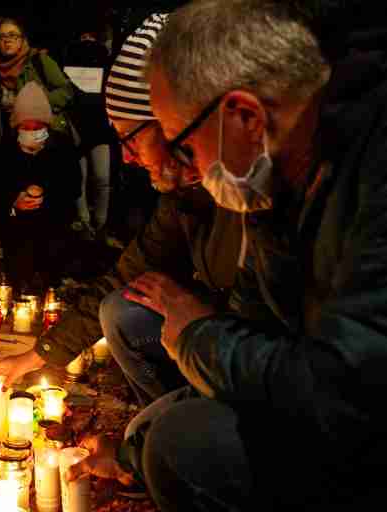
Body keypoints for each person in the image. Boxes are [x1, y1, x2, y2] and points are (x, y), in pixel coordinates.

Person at [71, 1, 387, 510]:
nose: (186, 165)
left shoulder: (370, 176)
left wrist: (199, 337)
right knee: (154, 430)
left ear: (243, 116)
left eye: (185, 144)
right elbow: (262, 321)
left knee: (183, 443)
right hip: (328, 401)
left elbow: (343, 394)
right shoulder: (278, 176)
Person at [0, 13, 244, 409]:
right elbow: (127, 274)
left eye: (130, 137)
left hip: (258, 381)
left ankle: (179, 431)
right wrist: (38, 355)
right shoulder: (183, 197)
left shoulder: (252, 195)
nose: (125, 158)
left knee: (158, 440)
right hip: (224, 348)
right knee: (120, 307)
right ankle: (166, 421)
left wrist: (201, 321)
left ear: (174, 123)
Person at [0, 82, 81, 291]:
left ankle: (50, 283)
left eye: (38, 127)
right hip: (15, 229)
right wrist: (12, 202)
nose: (32, 132)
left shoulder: (62, 148)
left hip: (53, 226)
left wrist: (48, 198)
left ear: (47, 127)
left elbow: (73, 189)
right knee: (19, 267)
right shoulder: (2, 151)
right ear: (16, 127)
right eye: (26, 127)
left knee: (51, 265)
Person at [0, 17, 75, 148]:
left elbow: (66, 91)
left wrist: (37, 104)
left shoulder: (39, 61)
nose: (7, 40)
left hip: (42, 139)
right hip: (5, 143)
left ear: (22, 39)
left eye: (13, 35)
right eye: (2, 36)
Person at [62, 25, 114, 241]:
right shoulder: (70, 55)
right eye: (83, 36)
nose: (87, 40)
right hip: (77, 122)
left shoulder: (106, 59)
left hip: (100, 124)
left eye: (91, 36)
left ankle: (100, 225)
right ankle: (85, 224)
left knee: (102, 177)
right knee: (80, 178)